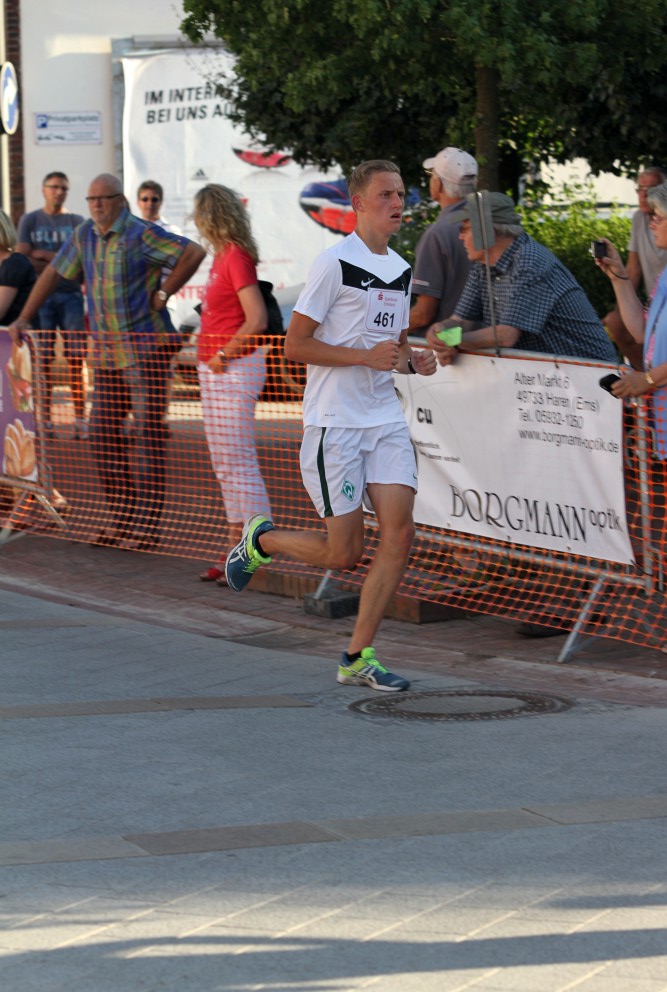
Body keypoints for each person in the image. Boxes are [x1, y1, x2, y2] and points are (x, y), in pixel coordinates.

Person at [224, 159, 437, 692]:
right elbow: (295, 346)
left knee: (400, 533)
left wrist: (415, 363)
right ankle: (263, 540)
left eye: (401, 194)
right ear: (358, 203)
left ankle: (357, 655)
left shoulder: (401, 269)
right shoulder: (333, 264)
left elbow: (393, 350)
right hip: (335, 424)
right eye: (386, 194)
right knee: (345, 553)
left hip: (384, 419)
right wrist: (363, 357)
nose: (398, 203)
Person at [9, 173, 206, 549]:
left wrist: (164, 292)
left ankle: (147, 528)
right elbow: (52, 273)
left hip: (146, 350)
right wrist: (24, 317)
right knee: (101, 436)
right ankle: (122, 520)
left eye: (103, 198)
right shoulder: (84, 234)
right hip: (106, 356)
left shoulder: (140, 233)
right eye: (91, 199)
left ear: (120, 200)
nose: (96, 205)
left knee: (147, 437)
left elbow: (193, 252)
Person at [426, 191, 618, 365]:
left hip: (591, 374)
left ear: (488, 232)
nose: (460, 237)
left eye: (465, 229)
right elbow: (461, 321)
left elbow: (506, 336)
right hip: (552, 376)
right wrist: (441, 330)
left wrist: (452, 341)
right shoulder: (482, 264)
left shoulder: (530, 261)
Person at [192, 184, 271, 584]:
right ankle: (235, 552)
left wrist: (224, 354)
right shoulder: (224, 255)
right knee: (227, 464)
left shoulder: (235, 256)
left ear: (210, 216)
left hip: (232, 368)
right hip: (219, 369)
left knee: (238, 463)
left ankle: (254, 552)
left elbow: (256, 318)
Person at [16, 171, 87, 439]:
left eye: (64, 188)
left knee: (76, 359)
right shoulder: (30, 219)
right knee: (42, 360)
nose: (59, 192)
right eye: (54, 187)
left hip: (71, 297)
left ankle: (80, 419)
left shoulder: (77, 222)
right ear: (43, 189)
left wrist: (43, 255)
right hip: (40, 298)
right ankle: (45, 421)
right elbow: (24, 258)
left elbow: (79, 263)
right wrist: (60, 260)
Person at [603, 166, 667, 369]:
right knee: (615, 321)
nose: (652, 225)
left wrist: (647, 380)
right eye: (640, 189)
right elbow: (642, 330)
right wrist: (617, 276)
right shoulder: (664, 278)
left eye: (658, 218)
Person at [409, 147, 478, 335]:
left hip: (447, 343)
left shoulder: (437, 234)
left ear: (438, 184)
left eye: (431, 175)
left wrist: (385, 332)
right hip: (485, 341)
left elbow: (423, 315)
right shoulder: (491, 223)